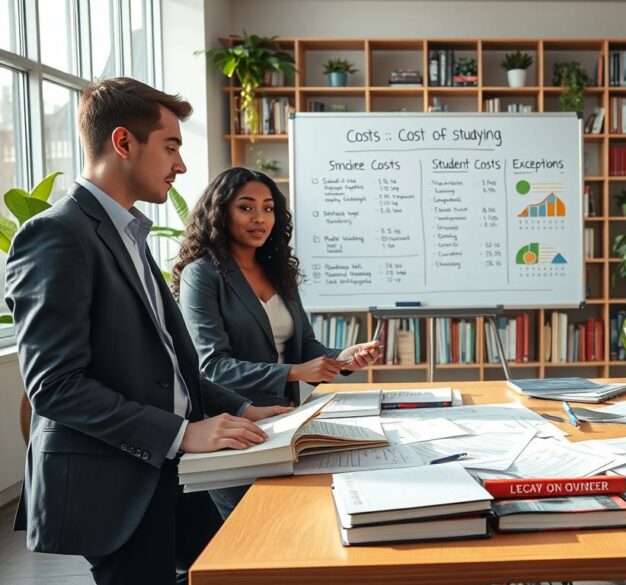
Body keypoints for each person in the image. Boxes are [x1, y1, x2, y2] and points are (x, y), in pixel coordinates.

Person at [4, 77, 290, 585]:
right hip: (112, 482)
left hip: (166, 469)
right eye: (172, 146)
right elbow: (54, 387)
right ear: (123, 143)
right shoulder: (56, 234)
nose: (181, 165)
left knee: (240, 565)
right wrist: (183, 433)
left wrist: (242, 406)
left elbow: (167, 368)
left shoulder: (130, 234)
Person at [172, 166, 380, 517]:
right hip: (231, 431)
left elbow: (305, 347)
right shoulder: (201, 274)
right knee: (251, 535)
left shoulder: (278, 271)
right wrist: (294, 372)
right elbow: (212, 367)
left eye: (268, 208)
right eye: (246, 207)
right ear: (220, 212)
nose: (260, 218)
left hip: (285, 425)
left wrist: (343, 358)